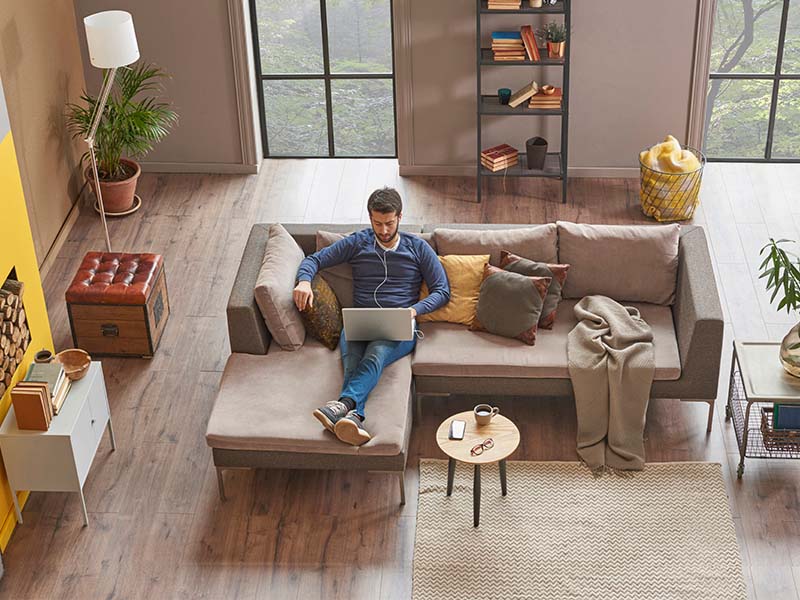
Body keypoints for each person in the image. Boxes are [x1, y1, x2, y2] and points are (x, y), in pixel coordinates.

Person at [293, 187, 450, 446]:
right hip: (361, 322)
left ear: (400, 217)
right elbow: (314, 260)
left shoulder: (418, 248)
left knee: (376, 354)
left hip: (399, 325)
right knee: (352, 363)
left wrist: (413, 311)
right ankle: (353, 417)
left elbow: (442, 291)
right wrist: (304, 282)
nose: (384, 230)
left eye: (389, 223)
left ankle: (342, 405)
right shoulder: (357, 242)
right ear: (370, 217)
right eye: (378, 223)